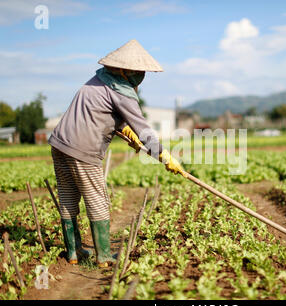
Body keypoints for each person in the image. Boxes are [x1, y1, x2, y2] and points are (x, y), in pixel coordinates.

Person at [48, 39, 186, 268]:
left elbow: (103, 116)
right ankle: (103, 256)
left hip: (60, 144)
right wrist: (164, 156)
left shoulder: (97, 81)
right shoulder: (121, 91)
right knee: (98, 200)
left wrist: (126, 131)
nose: (140, 75)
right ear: (123, 70)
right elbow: (143, 128)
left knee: (68, 196)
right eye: (137, 71)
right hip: (83, 150)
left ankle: (73, 252)